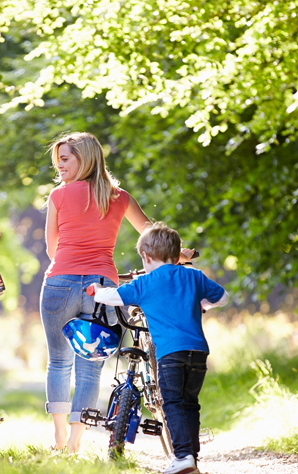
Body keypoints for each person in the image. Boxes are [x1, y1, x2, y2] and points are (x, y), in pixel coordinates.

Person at [40, 131, 154, 453]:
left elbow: (52, 249)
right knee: (91, 364)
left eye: (65, 159)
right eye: (58, 160)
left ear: (85, 158)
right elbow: (150, 233)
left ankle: (59, 438)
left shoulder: (58, 196)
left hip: (59, 283)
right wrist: (180, 252)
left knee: (59, 361)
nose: (59, 166)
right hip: (102, 288)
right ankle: (75, 440)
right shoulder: (120, 198)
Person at [88, 222, 229, 474]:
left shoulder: (147, 283)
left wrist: (96, 291)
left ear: (146, 256)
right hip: (198, 352)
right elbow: (223, 297)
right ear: (177, 256)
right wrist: (202, 305)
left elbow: (115, 297)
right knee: (190, 403)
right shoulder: (194, 276)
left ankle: (183, 456)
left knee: (172, 403)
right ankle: (191, 458)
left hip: (170, 354)